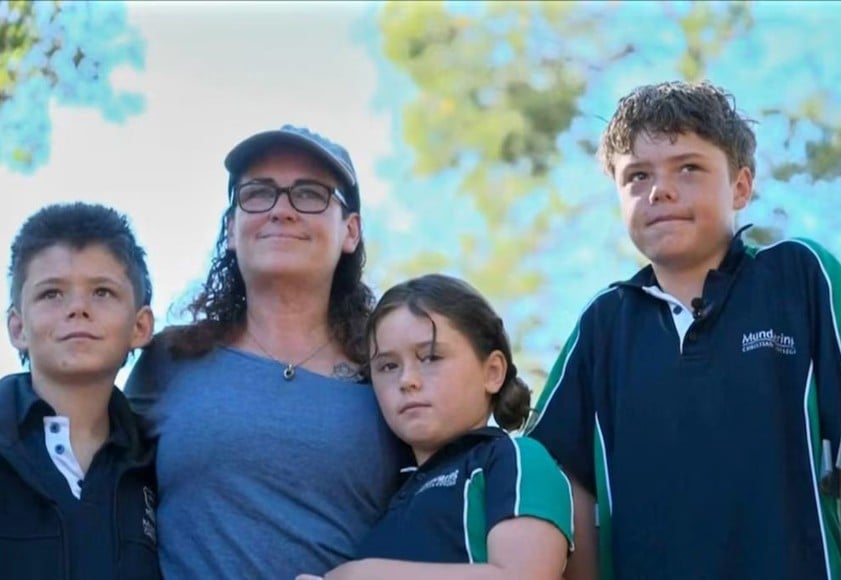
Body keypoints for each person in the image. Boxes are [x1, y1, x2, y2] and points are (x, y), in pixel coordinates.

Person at [527, 80, 841, 580]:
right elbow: (561, 476)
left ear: (741, 186)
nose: (659, 190)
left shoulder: (801, 277)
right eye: (637, 176)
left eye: (688, 167)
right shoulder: (602, 325)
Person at [124, 124, 409, 579]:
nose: (282, 210)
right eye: (258, 193)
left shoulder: (391, 375)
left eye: (310, 193)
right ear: (232, 227)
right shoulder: (169, 360)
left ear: (350, 231)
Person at [298, 273, 574, 580]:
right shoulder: (388, 495)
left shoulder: (516, 458)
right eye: (388, 366)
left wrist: (360, 575)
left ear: (493, 372)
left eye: (431, 357)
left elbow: (526, 576)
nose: (407, 381)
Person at [0, 203, 159, 579]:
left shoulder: (161, 465)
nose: (77, 309)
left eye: (102, 292)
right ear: (18, 328)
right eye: (51, 294)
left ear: (140, 326)